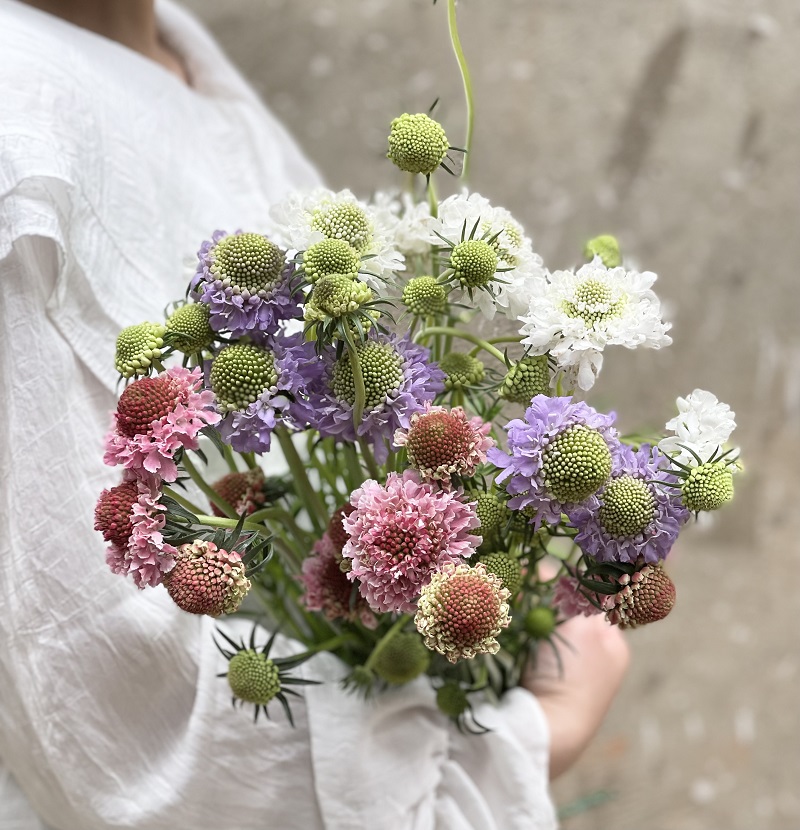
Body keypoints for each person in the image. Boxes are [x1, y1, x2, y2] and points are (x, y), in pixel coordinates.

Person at [0, 1, 629, 827]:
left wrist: (476, 558)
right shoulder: (23, 120)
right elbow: (107, 704)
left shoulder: (174, 50)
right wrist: (537, 737)